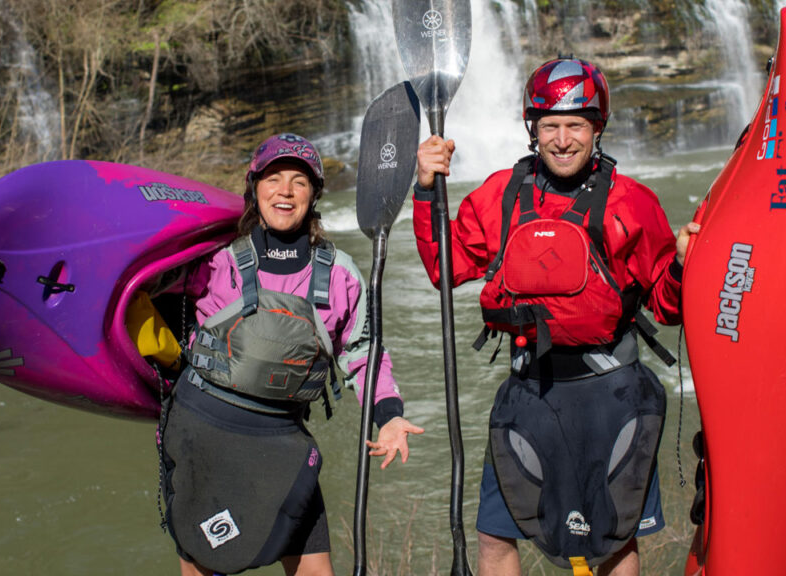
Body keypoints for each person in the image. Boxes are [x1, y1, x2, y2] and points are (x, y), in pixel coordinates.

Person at [412, 58, 699, 575]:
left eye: (576, 125)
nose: (562, 139)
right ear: (532, 129)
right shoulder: (499, 194)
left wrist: (681, 264)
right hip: (528, 392)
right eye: (550, 125)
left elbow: (666, 305)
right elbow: (444, 268)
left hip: (610, 395)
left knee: (613, 542)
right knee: (496, 535)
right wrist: (425, 190)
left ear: (597, 128)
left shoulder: (632, 203)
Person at [159, 133, 424, 576]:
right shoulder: (211, 260)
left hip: (282, 442)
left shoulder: (339, 272)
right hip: (206, 438)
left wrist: (390, 414)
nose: (285, 191)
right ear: (254, 188)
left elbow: (363, 351)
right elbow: (144, 295)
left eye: (299, 182)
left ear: (314, 195)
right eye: (274, 179)